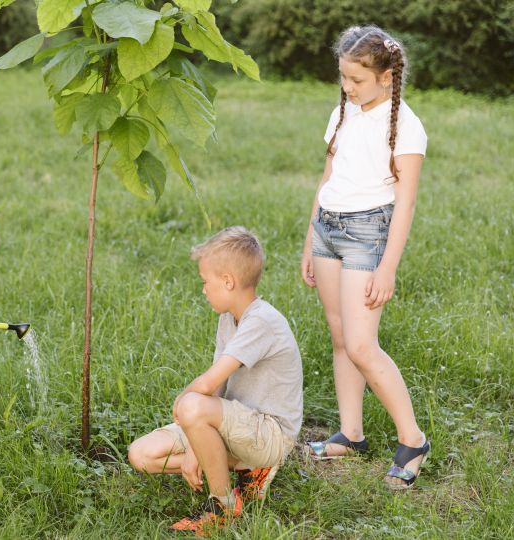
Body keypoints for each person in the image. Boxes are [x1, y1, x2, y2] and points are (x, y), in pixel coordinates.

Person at [300, 26, 430, 489]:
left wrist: (388, 267)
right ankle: (351, 435)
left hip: (367, 234)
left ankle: (412, 439)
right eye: (343, 78)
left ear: (387, 76)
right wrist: (309, 241)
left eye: (356, 80)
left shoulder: (405, 126)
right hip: (328, 231)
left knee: (361, 344)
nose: (347, 87)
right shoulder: (344, 112)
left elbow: (406, 203)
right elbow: (328, 176)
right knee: (340, 337)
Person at [128, 227, 303, 535]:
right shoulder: (228, 318)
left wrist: (182, 404)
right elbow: (217, 388)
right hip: (232, 424)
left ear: (228, 281)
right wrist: (196, 446)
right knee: (141, 455)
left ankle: (221, 504)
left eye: (205, 281)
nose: (203, 289)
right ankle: (244, 469)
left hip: (269, 433)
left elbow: (207, 386)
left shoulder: (261, 320)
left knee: (193, 405)